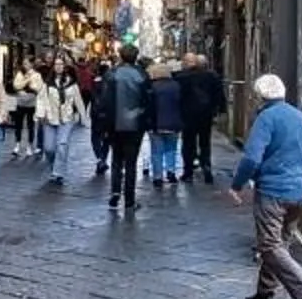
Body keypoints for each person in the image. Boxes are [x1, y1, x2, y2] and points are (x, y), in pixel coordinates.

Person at [230, 72, 302, 299]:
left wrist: (237, 185)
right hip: (299, 191)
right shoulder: (300, 116)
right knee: (279, 243)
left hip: (273, 190)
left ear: (259, 97)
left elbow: (252, 158)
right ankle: (264, 295)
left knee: (270, 245)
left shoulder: (266, 118)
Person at [94, 46, 153, 211]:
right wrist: (146, 119)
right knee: (131, 162)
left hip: (114, 123)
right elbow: (148, 100)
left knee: (116, 160)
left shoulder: (111, 74)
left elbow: (104, 101)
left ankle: (115, 192)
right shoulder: (142, 75)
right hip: (135, 124)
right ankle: (129, 200)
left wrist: (103, 123)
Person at [34, 59, 83, 186]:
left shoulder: (71, 83)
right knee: (49, 148)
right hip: (50, 119)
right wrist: (41, 115)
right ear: (53, 67)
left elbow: (78, 100)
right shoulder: (47, 83)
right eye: (56, 64)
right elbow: (41, 100)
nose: (58, 66)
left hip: (66, 119)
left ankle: (58, 173)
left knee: (62, 145)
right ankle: (53, 167)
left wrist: (83, 116)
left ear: (64, 66)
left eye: (61, 64)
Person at [145, 55, 190, 192]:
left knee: (156, 152)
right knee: (171, 149)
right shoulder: (176, 86)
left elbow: (149, 107)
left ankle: (158, 177)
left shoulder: (152, 87)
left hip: (156, 124)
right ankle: (171, 172)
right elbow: (182, 104)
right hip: (174, 123)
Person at [180, 53, 225, 182]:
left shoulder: (181, 77)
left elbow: (178, 97)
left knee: (188, 143)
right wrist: (220, 110)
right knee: (205, 142)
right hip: (206, 114)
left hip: (188, 115)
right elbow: (219, 95)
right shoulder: (212, 76)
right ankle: (206, 168)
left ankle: (188, 172)